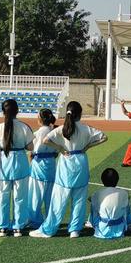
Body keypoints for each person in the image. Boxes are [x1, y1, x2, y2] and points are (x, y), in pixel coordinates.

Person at [29, 101, 107, 239]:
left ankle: (50, 229)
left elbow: (46, 140)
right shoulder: (85, 128)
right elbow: (104, 137)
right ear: (80, 114)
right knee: (79, 198)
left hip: (66, 163)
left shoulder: (61, 129)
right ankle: (75, 229)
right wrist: (88, 146)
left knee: (59, 199)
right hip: (81, 162)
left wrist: (60, 148)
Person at [0, 99, 34, 237]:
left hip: (4, 162)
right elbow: (30, 147)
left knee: (3, 196)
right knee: (20, 197)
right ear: (17, 111)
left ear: (3, 112)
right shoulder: (24, 127)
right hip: (20, 160)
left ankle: (3, 227)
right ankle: (18, 226)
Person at [28, 108, 57, 228]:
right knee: (50, 194)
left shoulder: (38, 133)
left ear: (40, 118)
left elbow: (32, 151)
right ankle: (51, 219)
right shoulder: (54, 131)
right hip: (51, 163)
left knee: (36, 194)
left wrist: (31, 162)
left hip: (39, 164)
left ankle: (35, 220)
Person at [89, 168, 131, 239]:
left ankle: (92, 223)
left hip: (101, 230)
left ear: (102, 180)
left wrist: (92, 199)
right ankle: (130, 224)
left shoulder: (97, 194)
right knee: (126, 205)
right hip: (120, 229)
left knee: (93, 205)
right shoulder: (124, 193)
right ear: (117, 180)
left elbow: (93, 203)